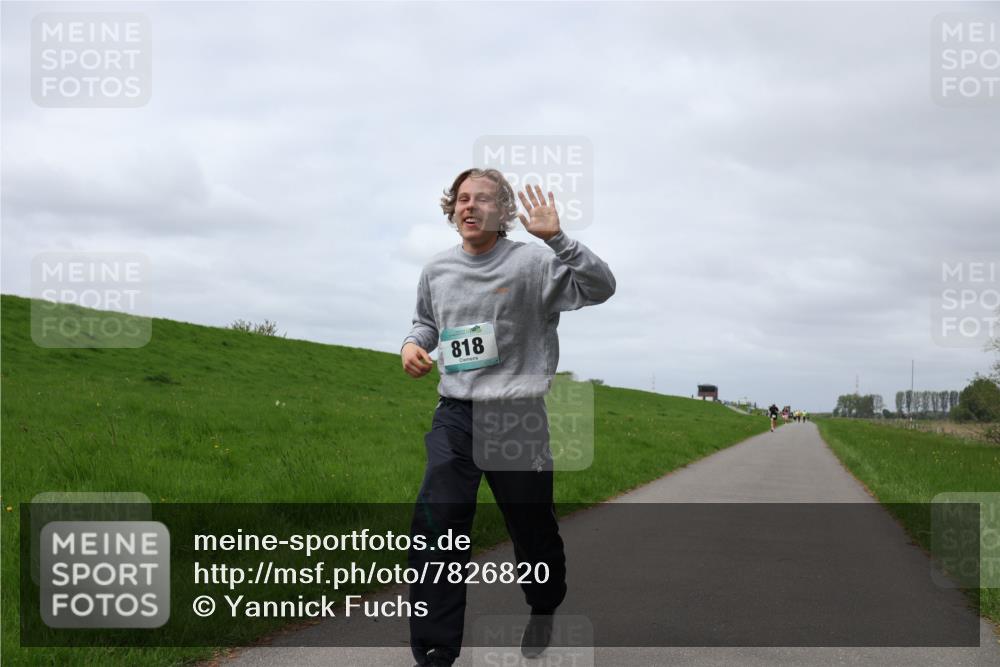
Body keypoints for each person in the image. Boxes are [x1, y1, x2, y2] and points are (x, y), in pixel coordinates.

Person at [401, 168, 616, 667]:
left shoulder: (534, 265)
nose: (468, 206)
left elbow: (601, 286)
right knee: (437, 523)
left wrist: (559, 240)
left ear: (505, 212)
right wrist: (413, 345)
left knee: (531, 526)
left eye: (481, 199)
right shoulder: (436, 270)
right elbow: (427, 321)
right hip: (456, 413)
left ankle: (544, 604)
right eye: (460, 199)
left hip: (517, 417)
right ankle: (435, 651)